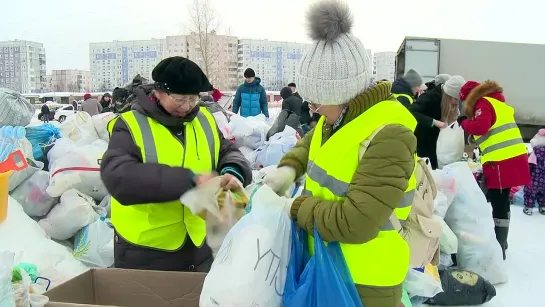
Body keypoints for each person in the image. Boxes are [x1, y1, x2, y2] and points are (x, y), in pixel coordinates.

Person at [263, 1, 417, 306]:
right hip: (328, 264)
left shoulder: (390, 137)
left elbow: (356, 222)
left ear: (346, 94)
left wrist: (294, 207)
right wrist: (288, 169)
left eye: (318, 102)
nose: (312, 109)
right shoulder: (336, 120)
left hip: (365, 281)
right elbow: (311, 144)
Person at [100, 56, 252, 272]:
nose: (188, 106)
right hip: (146, 249)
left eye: (193, 99)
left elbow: (227, 150)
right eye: (180, 99)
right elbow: (118, 176)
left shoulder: (204, 120)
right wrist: (189, 180)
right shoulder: (130, 124)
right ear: (158, 92)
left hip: (198, 244)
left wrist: (233, 170)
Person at [457, 80, 530, 260]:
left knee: (499, 202)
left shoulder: (483, 102)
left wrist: (464, 123)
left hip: (501, 161)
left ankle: (499, 245)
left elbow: (481, 127)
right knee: (502, 200)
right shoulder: (498, 103)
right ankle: (501, 241)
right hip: (513, 158)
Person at [409, 75, 465, 169]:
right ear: (448, 94)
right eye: (455, 99)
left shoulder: (450, 100)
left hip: (439, 142)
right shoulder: (431, 97)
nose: (456, 102)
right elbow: (412, 111)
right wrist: (434, 122)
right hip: (424, 141)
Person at [524, 129, 545, 215]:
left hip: (534, 177)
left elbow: (530, 164)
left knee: (530, 192)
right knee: (543, 193)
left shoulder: (535, 152)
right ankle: (543, 207)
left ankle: (529, 208)